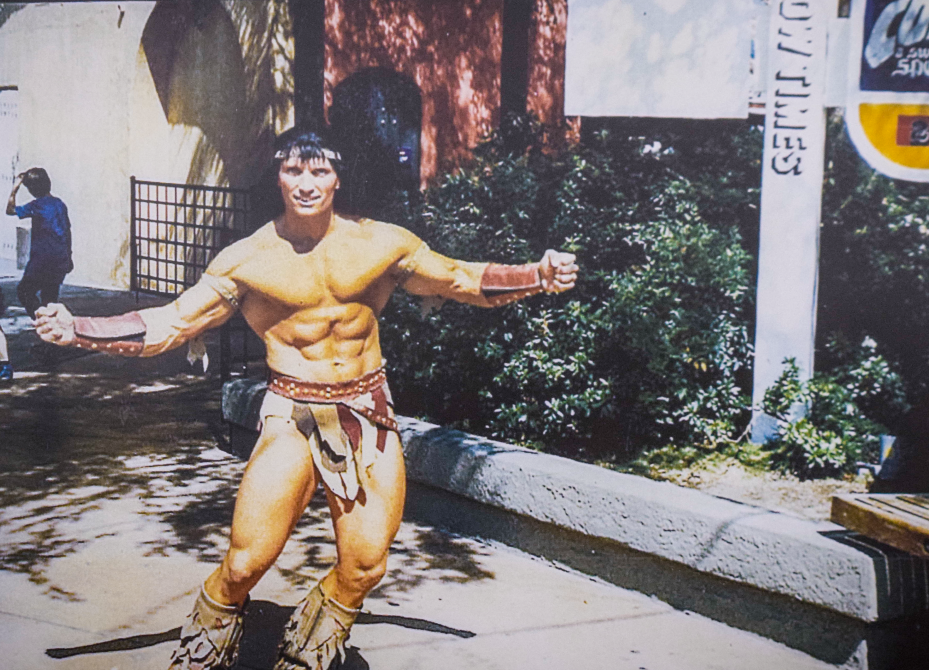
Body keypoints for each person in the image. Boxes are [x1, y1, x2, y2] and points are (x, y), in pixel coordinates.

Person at [34, 130, 578, 670]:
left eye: (320, 171)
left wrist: (537, 276)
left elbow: (459, 278)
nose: (307, 183)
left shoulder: (382, 244)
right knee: (245, 564)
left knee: (365, 566)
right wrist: (80, 328)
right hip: (292, 414)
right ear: (278, 177)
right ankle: (202, 649)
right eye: (294, 170)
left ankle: (305, 654)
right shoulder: (247, 260)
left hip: (367, 410)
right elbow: (172, 323)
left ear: (338, 178)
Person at [6, 167, 73, 317]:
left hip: (42, 261)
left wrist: (15, 188)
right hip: (60, 259)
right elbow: (67, 231)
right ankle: (49, 326)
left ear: (33, 189)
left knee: (24, 291)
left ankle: (42, 320)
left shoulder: (37, 205)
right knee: (50, 299)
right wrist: (69, 256)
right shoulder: (60, 204)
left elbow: (10, 210)